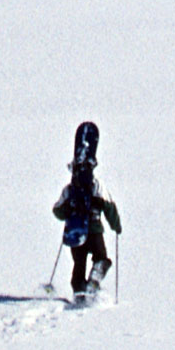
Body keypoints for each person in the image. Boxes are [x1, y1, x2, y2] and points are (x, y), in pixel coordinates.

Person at [51, 119, 121, 293]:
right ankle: (95, 280)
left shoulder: (70, 189)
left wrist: (68, 213)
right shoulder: (97, 185)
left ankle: (79, 292)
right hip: (95, 229)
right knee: (100, 258)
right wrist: (116, 226)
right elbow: (109, 207)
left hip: (76, 231)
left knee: (79, 264)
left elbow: (58, 211)